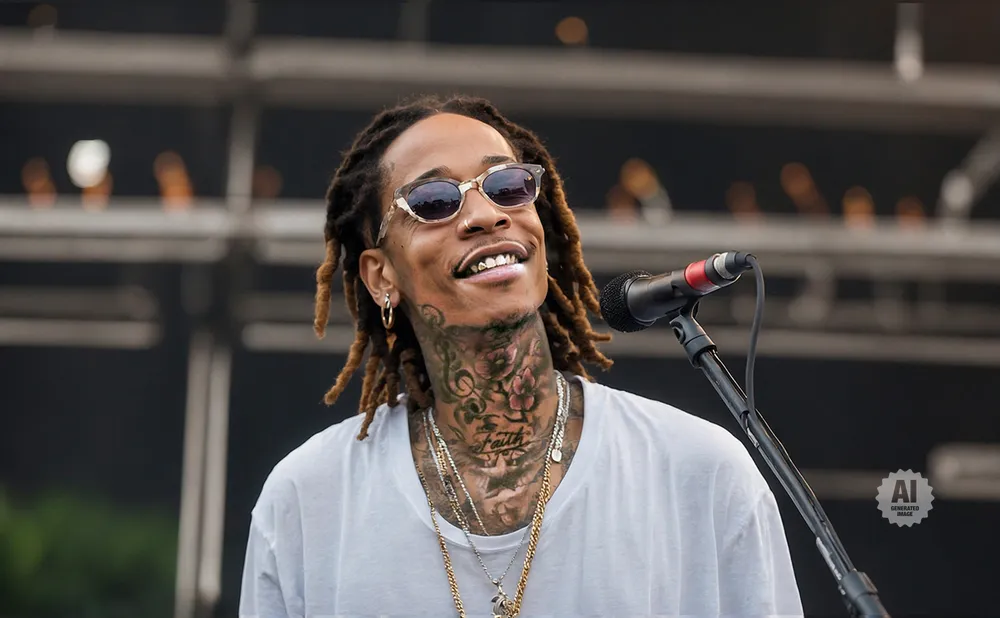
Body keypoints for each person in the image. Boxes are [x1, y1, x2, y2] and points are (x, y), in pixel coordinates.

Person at [239, 94, 803, 617]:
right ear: (381, 276)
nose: (486, 214)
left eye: (507, 186)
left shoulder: (698, 472)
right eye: (434, 201)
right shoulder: (308, 501)